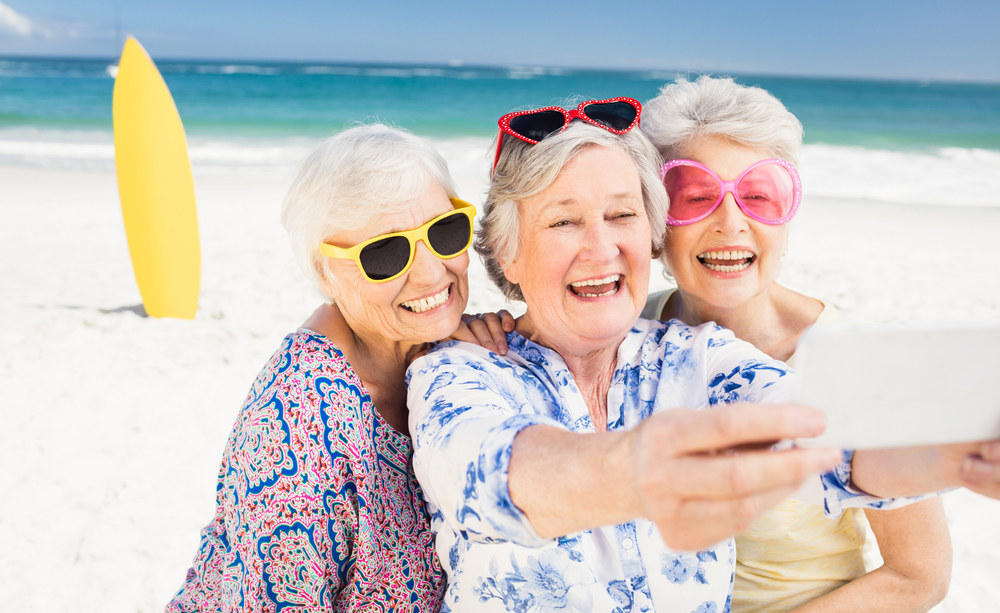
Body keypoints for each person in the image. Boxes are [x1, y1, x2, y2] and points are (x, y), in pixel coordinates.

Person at [405, 101, 999, 612]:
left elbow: (835, 439)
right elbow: (492, 473)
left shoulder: (697, 356)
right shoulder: (457, 368)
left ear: (651, 235)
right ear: (506, 255)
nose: (602, 247)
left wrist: (955, 448)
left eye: (621, 215)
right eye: (564, 222)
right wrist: (634, 470)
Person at [638, 76, 953, 612]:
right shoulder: (628, 328)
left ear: (788, 214)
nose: (730, 224)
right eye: (695, 197)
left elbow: (918, 576)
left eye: (759, 196)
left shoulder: (855, 364)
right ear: (654, 218)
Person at [166, 123, 504, 611]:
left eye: (445, 231)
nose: (433, 272)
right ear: (326, 271)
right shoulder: (298, 433)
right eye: (386, 254)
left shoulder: (432, 349)